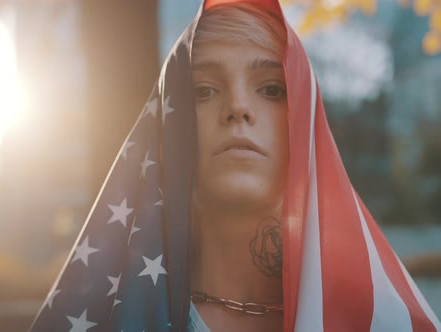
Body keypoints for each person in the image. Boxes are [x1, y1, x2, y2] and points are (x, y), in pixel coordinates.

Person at [30, 0, 441, 331]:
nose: (238, 108)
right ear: (168, 126)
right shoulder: (104, 309)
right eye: (204, 90)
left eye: (271, 89)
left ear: (306, 122)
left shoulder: (380, 318)